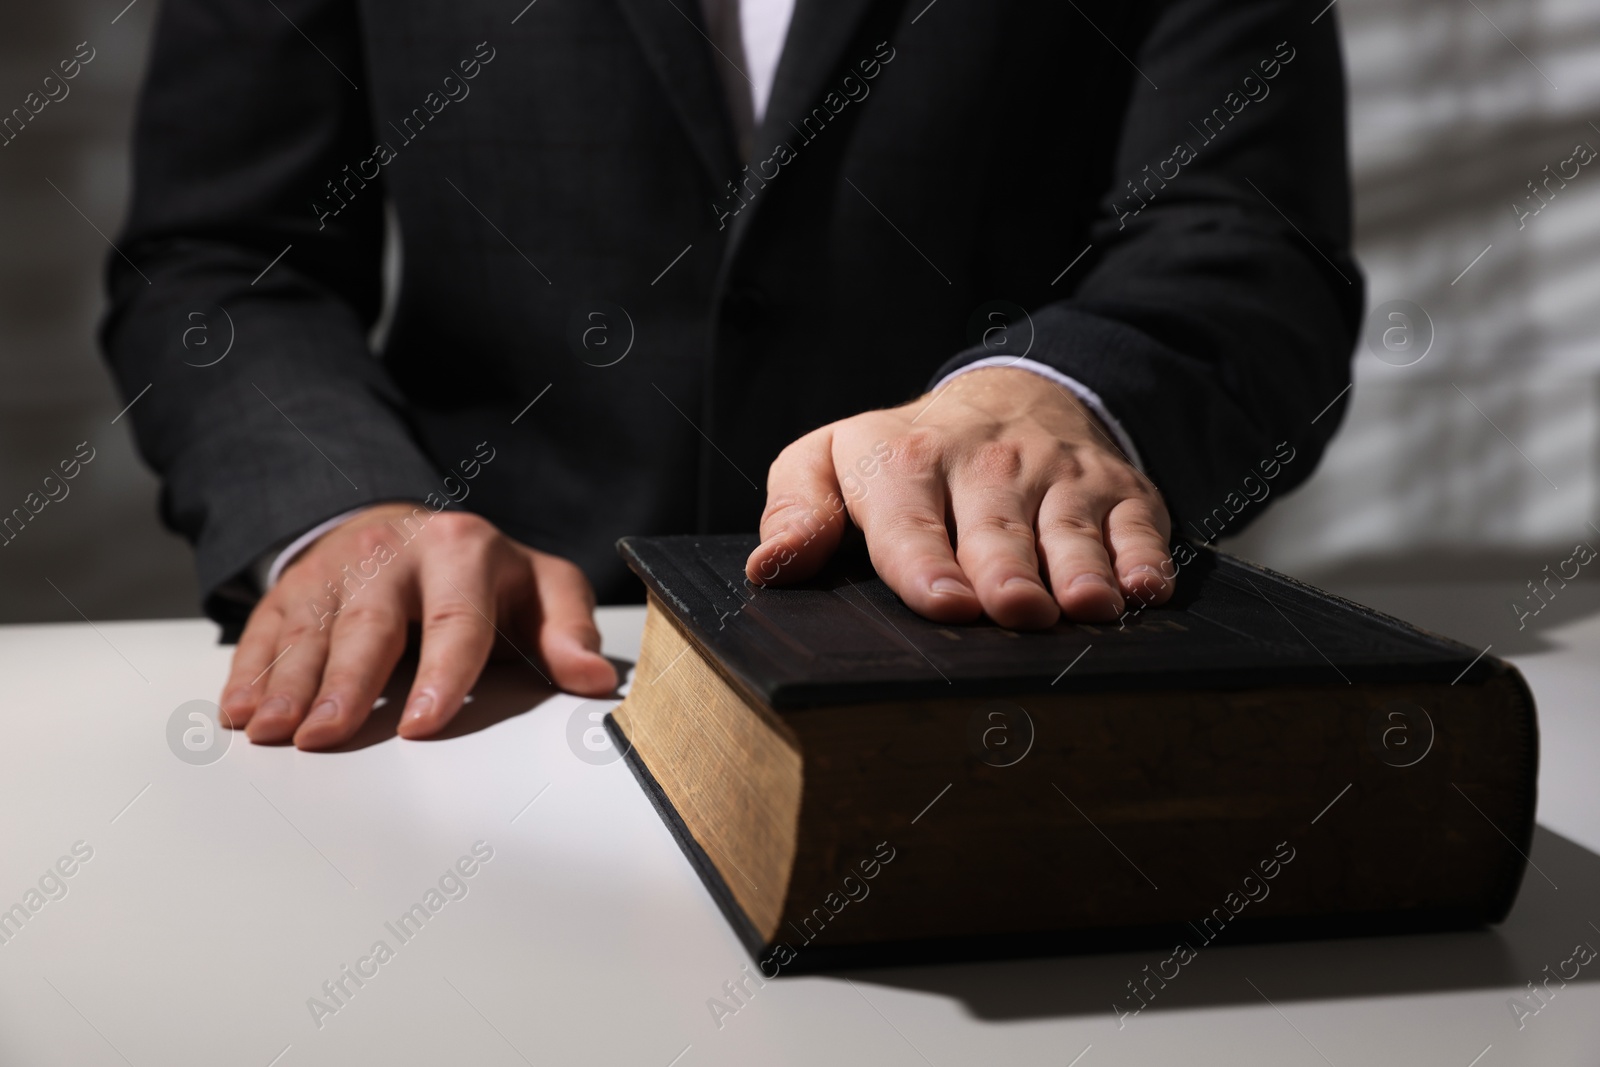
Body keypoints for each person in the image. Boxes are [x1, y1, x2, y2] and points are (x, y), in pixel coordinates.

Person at [102, 0, 1361, 750]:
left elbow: (1252, 243)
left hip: (994, 690)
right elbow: (221, 257)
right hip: (480, 688)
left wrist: (1057, 391)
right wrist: (343, 506)